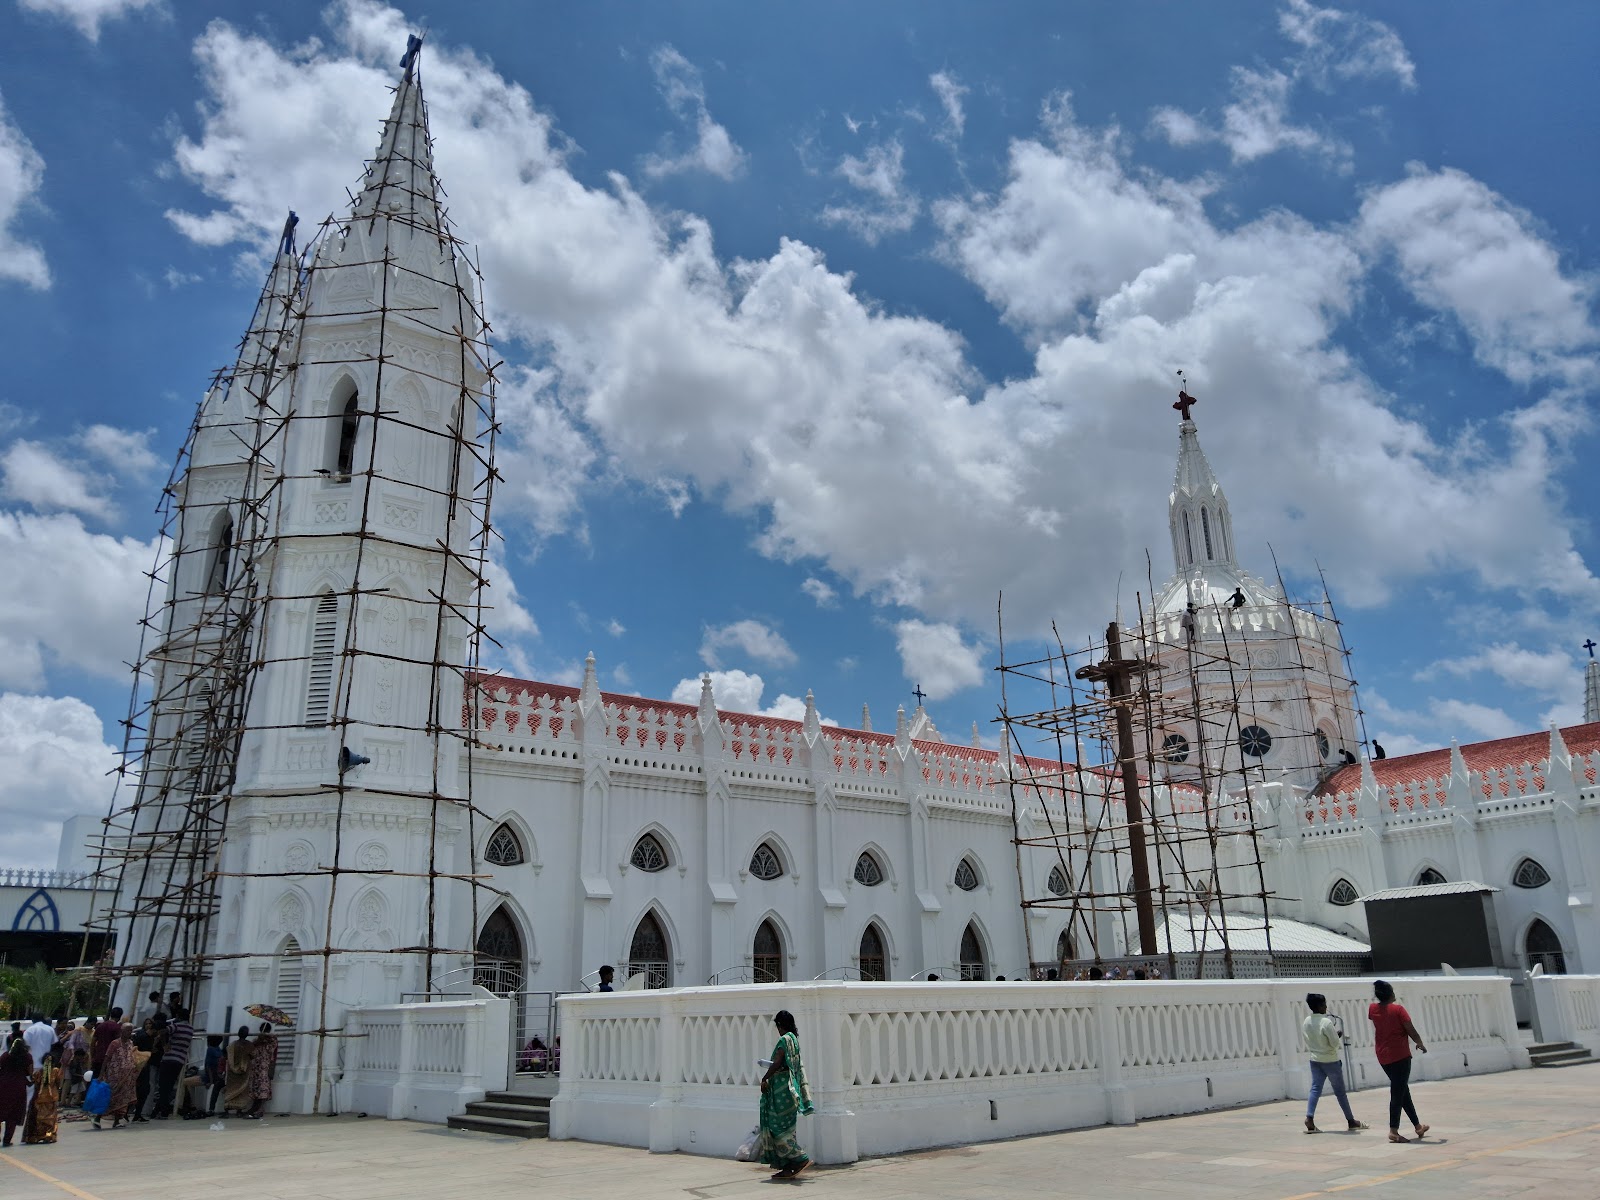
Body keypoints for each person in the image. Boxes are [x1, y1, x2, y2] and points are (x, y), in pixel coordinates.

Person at [754, 1009, 814, 1180]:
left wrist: (765, 1077)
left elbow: (779, 1062)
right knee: (787, 1129)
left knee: (776, 1128)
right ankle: (789, 1166)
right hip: (790, 1091)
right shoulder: (794, 1040)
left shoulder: (784, 1040)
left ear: (780, 1025)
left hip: (782, 1091)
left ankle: (800, 1158)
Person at [1368, 979, 1429, 1143]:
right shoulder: (1398, 1009)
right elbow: (1410, 1029)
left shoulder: (1373, 1009)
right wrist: (1420, 1043)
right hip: (1399, 1055)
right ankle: (1393, 1130)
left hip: (1383, 1056)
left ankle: (1418, 1126)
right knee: (1397, 1092)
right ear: (1390, 994)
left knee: (1402, 1091)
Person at [1302, 993, 1364, 1133]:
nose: (1326, 1007)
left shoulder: (1306, 1021)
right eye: (1324, 1004)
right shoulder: (1326, 1022)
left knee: (1315, 1088)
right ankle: (1350, 1120)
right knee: (1340, 1092)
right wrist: (1338, 1035)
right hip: (1330, 1060)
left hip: (1315, 1059)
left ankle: (1309, 1118)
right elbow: (1334, 1044)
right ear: (1319, 1006)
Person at [154, 1005, 194, 1118]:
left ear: (178, 1016)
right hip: (180, 1060)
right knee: (170, 1085)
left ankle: (162, 1110)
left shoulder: (175, 1026)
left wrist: (164, 1045)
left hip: (169, 1058)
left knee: (162, 1086)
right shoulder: (190, 1029)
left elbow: (162, 1032)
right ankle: (161, 1110)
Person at [99, 1026, 139, 1130]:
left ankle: (116, 1121)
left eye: (130, 1030)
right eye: (127, 1030)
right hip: (114, 1076)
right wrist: (101, 1074)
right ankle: (98, 1117)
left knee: (122, 1100)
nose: (129, 1032)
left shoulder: (130, 1043)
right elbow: (107, 1058)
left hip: (127, 1077)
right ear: (122, 1031)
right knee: (111, 1097)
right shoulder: (115, 1043)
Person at [23, 1047, 62, 1144]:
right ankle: (48, 1136)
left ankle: (36, 1136)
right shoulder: (56, 1071)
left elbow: (35, 1084)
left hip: (39, 1098)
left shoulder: (39, 1072)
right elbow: (58, 1083)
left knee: (39, 1118)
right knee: (50, 1118)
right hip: (51, 1097)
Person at [21, 1014, 56, 1111]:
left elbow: (25, 1047)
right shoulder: (50, 1030)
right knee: (45, 1086)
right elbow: (54, 1044)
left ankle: (29, 1108)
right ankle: (41, 1108)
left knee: (31, 1089)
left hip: (33, 1063)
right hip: (46, 1062)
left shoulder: (30, 1030)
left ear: (33, 1020)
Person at [244, 1023, 278, 1118]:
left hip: (265, 1066)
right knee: (256, 1086)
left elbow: (272, 1049)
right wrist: (259, 1040)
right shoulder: (257, 1040)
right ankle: (254, 1107)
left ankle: (261, 1109)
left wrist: (264, 1039)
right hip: (256, 1066)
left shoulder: (272, 1039)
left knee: (263, 1086)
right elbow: (252, 1049)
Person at [0, 1041, 30, 1147]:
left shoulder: (5, 1056)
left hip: (3, 1086)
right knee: (12, 1116)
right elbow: (29, 1072)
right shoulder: (27, 1057)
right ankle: (7, 1140)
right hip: (19, 1087)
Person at [223, 1026, 254, 1115]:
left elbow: (228, 1055)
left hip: (232, 1073)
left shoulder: (232, 1045)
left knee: (230, 1089)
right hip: (244, 1072)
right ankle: (239, 1111)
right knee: (242, 1090)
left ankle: (226, 1110)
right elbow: (254, 1055)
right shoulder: (249, 1045)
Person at [91, 1008, 122, 1077]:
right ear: (119, 1017)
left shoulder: (100, 1026)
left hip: (98, 1057)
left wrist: (92, 1055)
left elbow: (93, 1042)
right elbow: (119, 1043)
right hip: (111, 1059)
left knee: (96, 1079)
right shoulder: (117, 1028)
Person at [202, 1035, 227, 1115]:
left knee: (184, 1082)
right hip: (219, 1076)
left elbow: (208, 1067)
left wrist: (210, 1081)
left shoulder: (210, 1050)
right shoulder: (219, 1050)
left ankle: (188, 1105)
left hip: (210, 1077)